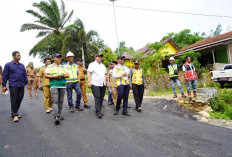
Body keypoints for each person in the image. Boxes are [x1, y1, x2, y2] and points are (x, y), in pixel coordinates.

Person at [2, 51, 28, 122]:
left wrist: (26, 83)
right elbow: (5, 75)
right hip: (13, 85)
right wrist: (3, 85)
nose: (19, 56)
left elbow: (24, 75)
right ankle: (15, 115)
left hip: (21, 85)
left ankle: (14, 112)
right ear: (13, 56)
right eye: (18, 55)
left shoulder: (22, 65)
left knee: (20, 98)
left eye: (20, 55)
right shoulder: (8, 65)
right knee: (14, 99)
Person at [45, 53, 69, 125]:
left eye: (60, 57)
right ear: (53, 58)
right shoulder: (50, 66)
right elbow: (46, 75)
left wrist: (61, 75)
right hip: (54, 85)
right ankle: (56, 116)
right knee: (55, 100)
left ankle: (59, 114)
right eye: (57, 57)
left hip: (62, 85)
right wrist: (54, 76)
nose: (59, 58)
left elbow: (67, 75)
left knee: (61, 100)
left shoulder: (63, 66)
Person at [87, 54, 107, 119]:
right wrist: (89, 82)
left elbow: (105, 74)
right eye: (99, 57)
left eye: (101, 57)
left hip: (102, 83)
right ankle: (98, 111)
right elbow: (89, 73)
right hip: (95, 83)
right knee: (97, 97)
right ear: (95, 57)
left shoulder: (103, 65)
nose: (100, 58)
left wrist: (106, 82)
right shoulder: (92, 64)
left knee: (101, 97)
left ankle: (99, 110)